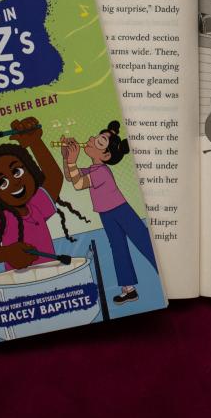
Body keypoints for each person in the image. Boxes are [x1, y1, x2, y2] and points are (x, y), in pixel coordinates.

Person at [0, 117, 90, 271]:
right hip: (20, 281)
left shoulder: (36, 206)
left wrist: (35, 142)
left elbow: (54, 177)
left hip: (51, 274)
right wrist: (7, 253)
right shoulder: (2, 219)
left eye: (17, 172)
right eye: (2, 183)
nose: (15, 182)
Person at [61, 120, 159, 305]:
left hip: (120, 210)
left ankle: (167, 274)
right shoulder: (93, 168)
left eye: (98, 142)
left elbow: (79, 184)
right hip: (106, 213)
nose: (91, 139)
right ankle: (128, 290)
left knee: (144, 242)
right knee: (118, 247)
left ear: (105, 155)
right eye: (96, 137)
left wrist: (72, 161)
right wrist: (66, 158)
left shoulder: (101, 172)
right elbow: (70, 177)